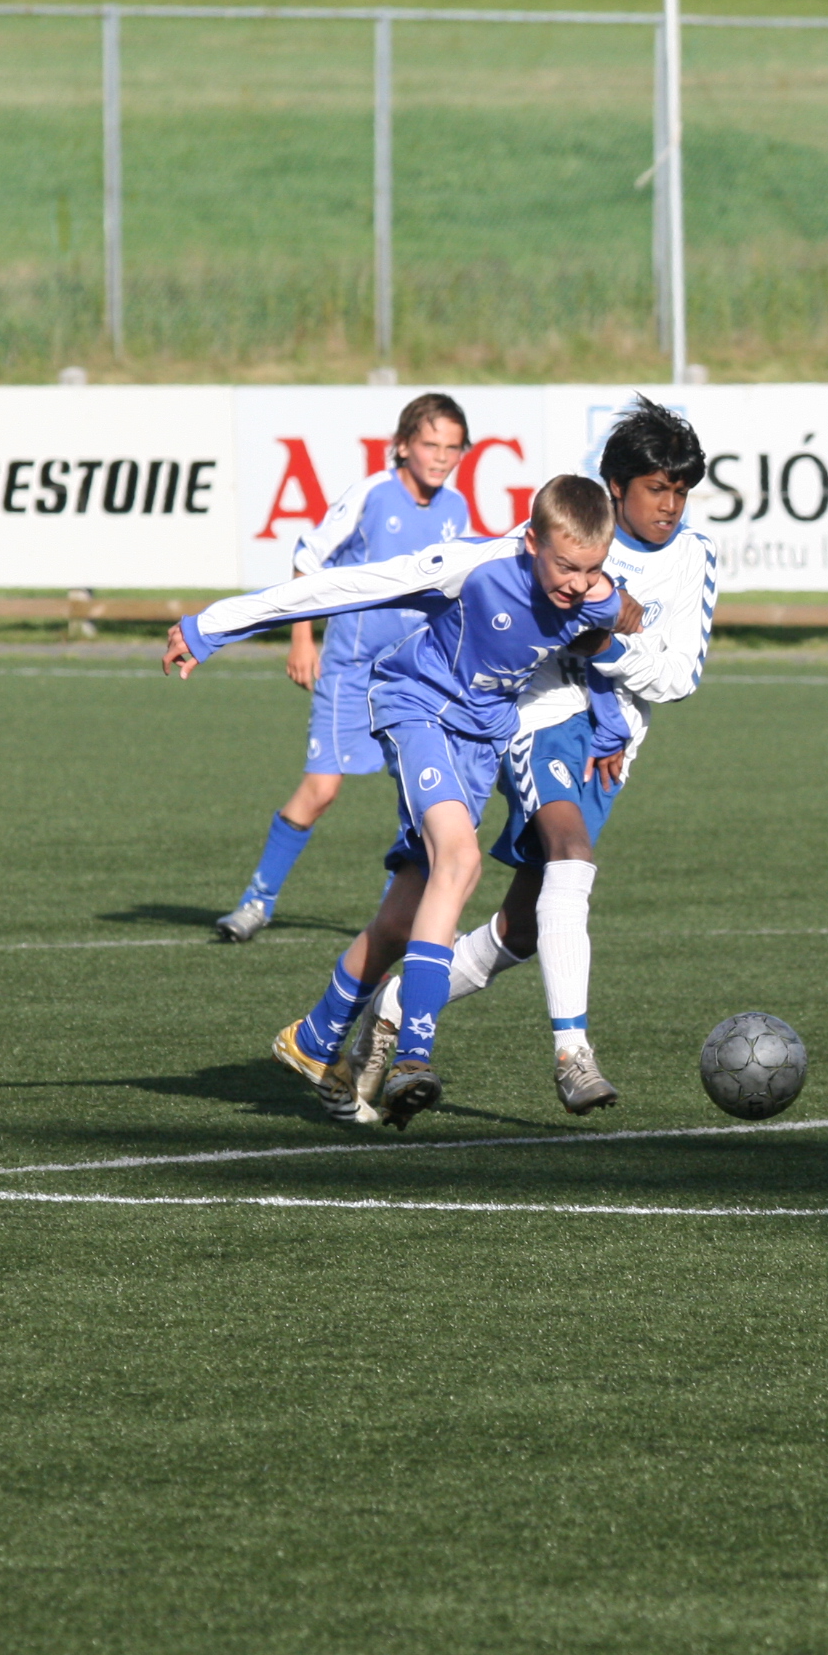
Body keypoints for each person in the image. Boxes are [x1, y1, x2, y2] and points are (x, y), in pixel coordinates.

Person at [163, 476, 633, 1126]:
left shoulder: (597, 595)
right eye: (566, 567)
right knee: (460, 862)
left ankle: (314, 1038)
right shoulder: (472, 566)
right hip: (418, 709)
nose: (578, 584)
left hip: (479, 745)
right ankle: (414, 1053)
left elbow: (594, 644)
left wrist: (610, 728)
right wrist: (210, 627)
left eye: (592, 569)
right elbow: (342, 587)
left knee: (404, 915)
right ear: (531, 542)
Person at [350, 397, 719, 1116]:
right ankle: (573, 1054)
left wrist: (606, 646)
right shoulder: (557, 539)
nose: (670, 506)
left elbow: (678, 678)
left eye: (680, 491)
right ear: (616, 487)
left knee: (522, 928)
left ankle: (396, 1005)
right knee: (572, 852)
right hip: (540, 719)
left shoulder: (696, 556)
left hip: (611, 748)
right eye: (656, 489)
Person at [213, 392, 473, 944]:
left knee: (422, 798)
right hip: (353, 670)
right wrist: (301, 637)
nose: (441, 457)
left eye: (452, 448)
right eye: (430, 444)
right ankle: (257, 901)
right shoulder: (372, 495)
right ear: (402, 446)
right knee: (321, 789)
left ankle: (400, 916)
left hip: (417, 678)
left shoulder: (456, 510)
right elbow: (309, 558)